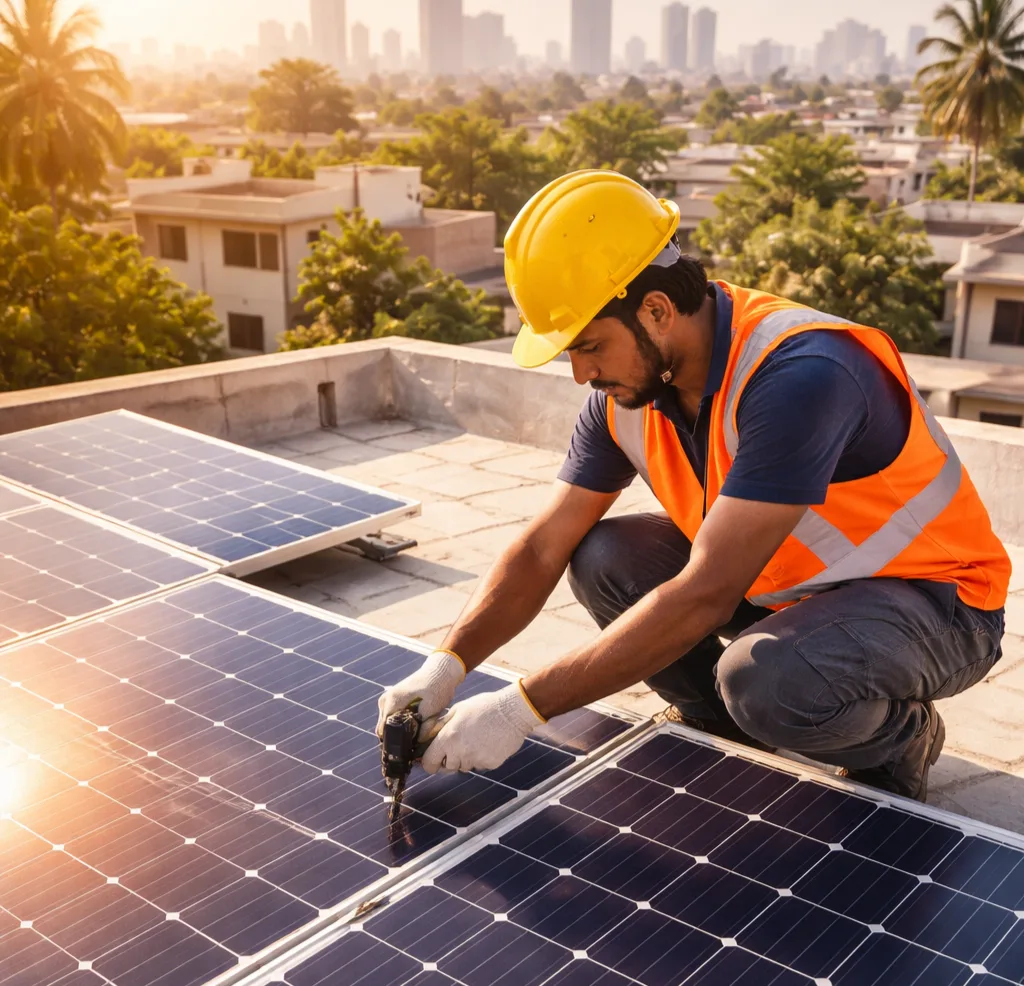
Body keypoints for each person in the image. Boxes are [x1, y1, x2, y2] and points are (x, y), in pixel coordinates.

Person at [376, 170, 1010, 802]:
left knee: (766, 679)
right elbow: (545, 546)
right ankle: (724, 726)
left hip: (939, 605)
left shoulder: (800, 373)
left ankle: (899, 739)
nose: (579, 374)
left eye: (589, 345)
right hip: (793, 591)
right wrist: (446, 666)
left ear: (656, 310)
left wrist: (520, 709)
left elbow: (705, 593)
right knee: (603, 557)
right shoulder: (626, 394)